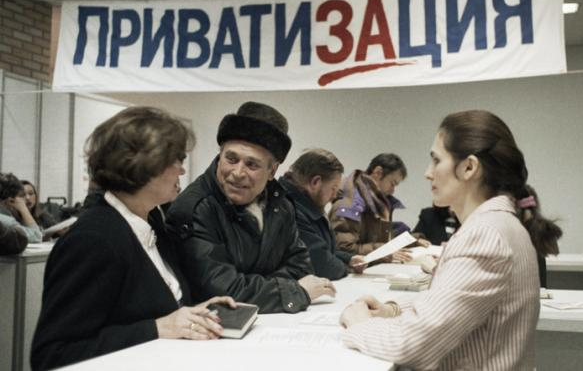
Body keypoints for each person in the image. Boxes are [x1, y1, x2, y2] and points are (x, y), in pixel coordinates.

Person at [340, 110, 563, 370]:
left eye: (436, 160)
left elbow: (413, 345)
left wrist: (359, 324)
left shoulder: (484, 235)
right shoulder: (499, 224)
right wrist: (392, 309)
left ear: (469, 167)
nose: (428, 173)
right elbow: (452, 302)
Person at [31, 107, 236, 371]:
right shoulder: (93, 240)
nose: (181, 170)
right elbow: (53, 354)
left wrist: (195, 310)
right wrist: (158, 328)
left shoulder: (152, 222)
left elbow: (144, 308)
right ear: (144, 165)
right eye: (176, 160)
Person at [167, 102, 334, 314]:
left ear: (272, 171)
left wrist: (251, 285)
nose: (237, 173)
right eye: (231, 159)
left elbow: (301, 268)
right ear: (220, 155)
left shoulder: (281, 205)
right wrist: (294, 290)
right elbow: (224, 292)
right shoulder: (195, 209)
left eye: (252, 165)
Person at [279, 149, 367, 280]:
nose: (334, 195)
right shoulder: (291, 209)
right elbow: (321, 265)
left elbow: (322, 250)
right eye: (333, 188)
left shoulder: (307, 206)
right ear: (315, 182)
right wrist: (346, 268)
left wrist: (348, 259)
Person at [329, 153, 424, 262]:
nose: (393, 191)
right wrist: (384, 252)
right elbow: (345, 250)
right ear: (378, 172)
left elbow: (379, 239)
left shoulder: (378, 204)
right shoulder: (349, 206)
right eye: (392, 184)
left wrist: (413, 240)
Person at [0, 173, 42, 243]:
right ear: (11, 200)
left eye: (31, 194)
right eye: (21, 196)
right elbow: (36, 236)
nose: (26, 199)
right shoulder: (6, 221)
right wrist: (23, 208)